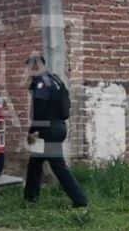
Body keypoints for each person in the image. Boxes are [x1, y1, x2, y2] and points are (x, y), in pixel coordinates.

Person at [23, 54, 88, 207]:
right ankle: (30, 199)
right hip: (58, 127)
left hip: (48, 132)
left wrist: (32, 131)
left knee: (59, 166)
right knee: (35, 163)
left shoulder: (41, 83)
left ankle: (80, 200)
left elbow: (40, 109)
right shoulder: (55, 79)